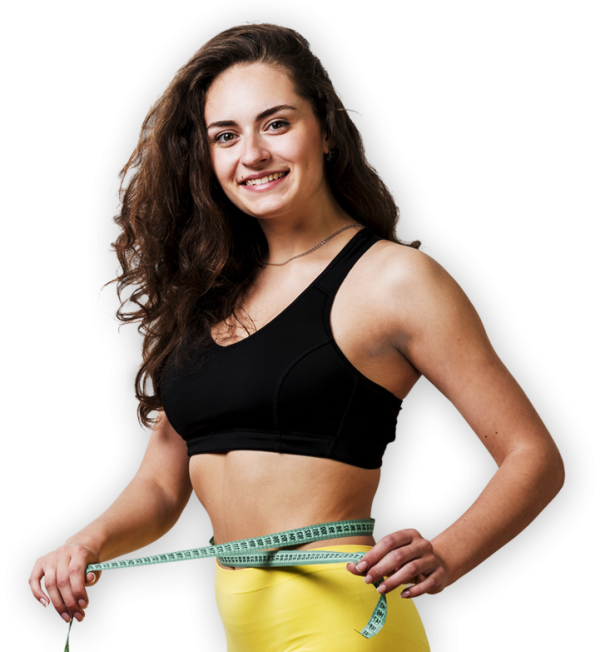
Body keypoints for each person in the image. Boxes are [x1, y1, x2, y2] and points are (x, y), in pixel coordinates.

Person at [28, 22, 565, 651]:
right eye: (225, 136)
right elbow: (163, 483)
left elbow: (533, 456)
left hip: (342, 626)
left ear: (327, 132)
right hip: (241, 629)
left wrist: (449, 554)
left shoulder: (395, 281)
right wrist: (85, 543)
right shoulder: (206, 298)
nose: (252, 153)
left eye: (276, 124)